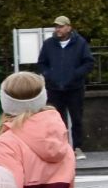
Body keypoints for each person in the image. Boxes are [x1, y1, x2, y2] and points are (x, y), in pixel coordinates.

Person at [35, 16, 92, 153]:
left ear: (69, 27)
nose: (58, 29)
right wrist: (49, 75)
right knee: (56, 120)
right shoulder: (49, 44)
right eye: (56, 27)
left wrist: (75, 74)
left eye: (60, 26)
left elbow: (88, 62)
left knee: (76, 118)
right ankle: (61, 147)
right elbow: (42, 63)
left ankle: (77, 147)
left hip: (75, 88)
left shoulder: (80, 43)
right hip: (54, 89)